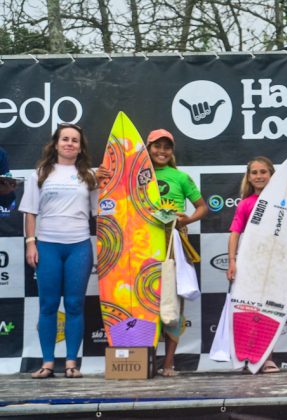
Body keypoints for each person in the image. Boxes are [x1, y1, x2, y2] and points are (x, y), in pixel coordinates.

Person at [97, 128, 208, 377]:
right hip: (141, 247)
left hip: (173, 245)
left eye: (167, 147)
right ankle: (147, 361)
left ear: (172, 151)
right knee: (143, 301)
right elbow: (114, 195)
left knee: (172, 305)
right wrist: (103, 176)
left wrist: (187, 219)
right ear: (147, 148)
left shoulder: (180, 177)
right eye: (157, 146)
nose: (162, 151)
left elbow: (202, 207)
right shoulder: (134, 176)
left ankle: (168, 363)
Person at [226, 156, 287, 373]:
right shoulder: (246, 203)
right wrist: (232, 261)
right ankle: (244, 354)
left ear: (272, 175)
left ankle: (266, 357)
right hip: (251, 263)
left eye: (263, 172)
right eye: (254, 172)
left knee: (270, 307)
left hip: (278, 263)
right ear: (248, 177)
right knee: (247, 307)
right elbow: (234, 234)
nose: (259, 176)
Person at [19, 123, 99, 379]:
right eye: (65, 139)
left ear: (80, 147)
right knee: (48, 305)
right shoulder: (41, 173)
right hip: (48, 246)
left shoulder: (90, 176)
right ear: (55, 144)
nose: (69, 143)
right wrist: (31, 242)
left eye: (75, 140)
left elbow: (102, 212)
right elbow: (30, 211)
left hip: (79, 247)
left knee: (75, 305)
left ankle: (72, 363)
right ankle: (48, 362)